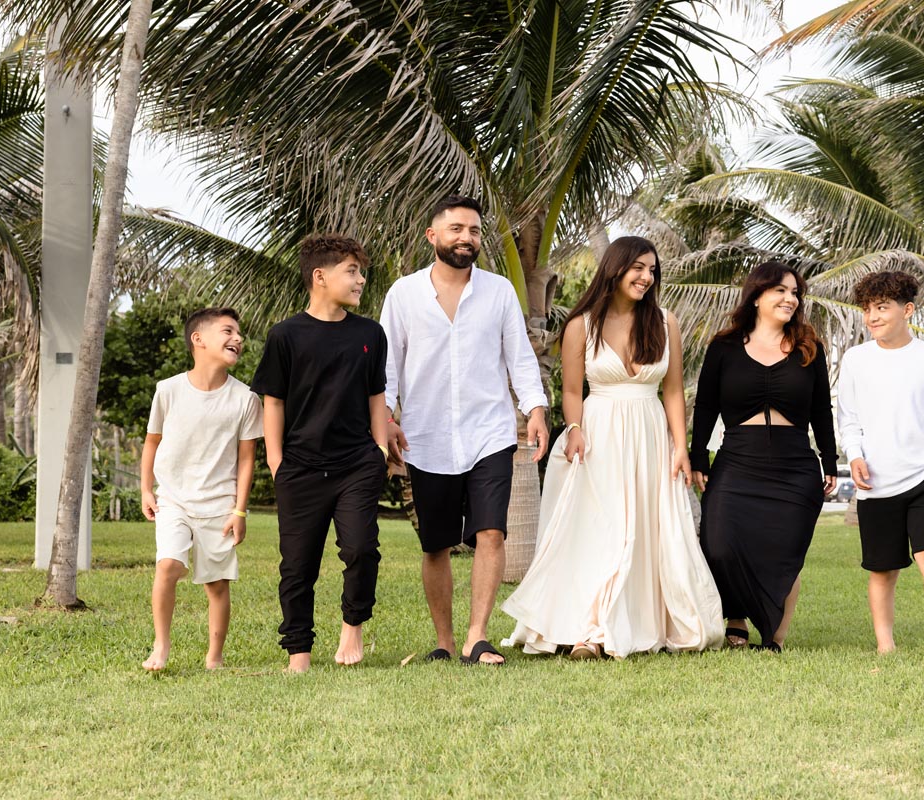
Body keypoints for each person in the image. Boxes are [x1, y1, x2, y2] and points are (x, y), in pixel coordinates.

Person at [502, 236, 723, 659]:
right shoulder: (581, 325)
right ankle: (589, 631)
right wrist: (575, 427)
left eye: (652, 270)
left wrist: (681, 445)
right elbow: (570, 389)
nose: (646, 276)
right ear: (616, 268)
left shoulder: (665, 322)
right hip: (599, 434)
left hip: (650, 432)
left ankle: (644, 621)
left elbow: (673, 391)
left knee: (648, 527)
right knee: (600, 529)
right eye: (638, 267)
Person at [380, 195, 549, 666]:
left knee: (491, 533)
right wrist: (388, 417)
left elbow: (519, 357)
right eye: (456, 229)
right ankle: (445, 642)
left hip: (490, 432)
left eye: (473, 231)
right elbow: (388, 364)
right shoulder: (403, 294)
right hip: (425, 436)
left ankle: (477, 638)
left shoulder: (497, 293)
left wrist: (535, 409)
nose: (466, 238)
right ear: (433, 236)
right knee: (435, 544)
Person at [250, 234, 390, 674]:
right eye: (352, 271)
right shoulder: (285, 336)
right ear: (320, 276)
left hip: (357, 464)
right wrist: (276, 461)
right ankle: (299, 654)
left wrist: (381, 449)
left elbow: (376, 397)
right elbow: (272, 401)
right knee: (297, 566)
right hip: (300, 468)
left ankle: (353, 625)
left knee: (362, 549)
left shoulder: (370, 333)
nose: (360, 279)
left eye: (360, 271)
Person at [691, 261, 838, 652]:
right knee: (720, 544)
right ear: (757, 295)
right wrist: (697, 457)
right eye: (781, 291)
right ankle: (735, 616)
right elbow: (705, 406)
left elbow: (822, 409)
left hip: (795, 467)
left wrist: (830, 461)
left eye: (795, 293)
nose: (790, 299)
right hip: (737, 460)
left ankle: (774, 637)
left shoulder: (809, 348)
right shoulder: (723, 347)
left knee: (785, 553)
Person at [838, 271, 924, 662]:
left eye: (882, 308)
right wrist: (854, 455)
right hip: (875, 481)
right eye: (867, 309)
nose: (872, 317)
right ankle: (885, 645)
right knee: (883, 569)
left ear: (907, 310)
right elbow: (848, 418)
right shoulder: (855, 359)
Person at [140, 307, 263, 671]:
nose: (238, 339)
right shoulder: (168, 391)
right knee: (167, 566)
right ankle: (161, 646)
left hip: (219, 505)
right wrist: (147, 489)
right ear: (198, 339)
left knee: (217, 585)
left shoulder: (245, 399)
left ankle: (215, 657)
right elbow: (152, 442)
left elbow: (246, 460)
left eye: (239, 334)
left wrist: (239, 511)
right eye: (228, 331)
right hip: (173, 499)